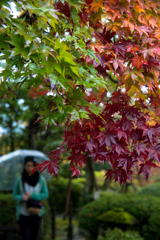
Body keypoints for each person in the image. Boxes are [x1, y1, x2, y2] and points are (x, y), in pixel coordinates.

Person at [13, 156, 49, 240]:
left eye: (33, 165)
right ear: (24, 166)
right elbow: (15, 195)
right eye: (28, 165)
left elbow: (45, 194)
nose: (30, 168)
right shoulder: (20, 180)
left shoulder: (41, 179)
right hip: (23, 212)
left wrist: (32, 195)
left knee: (34, 236)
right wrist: (22, 197)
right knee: (26, 237)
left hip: (36, 212)